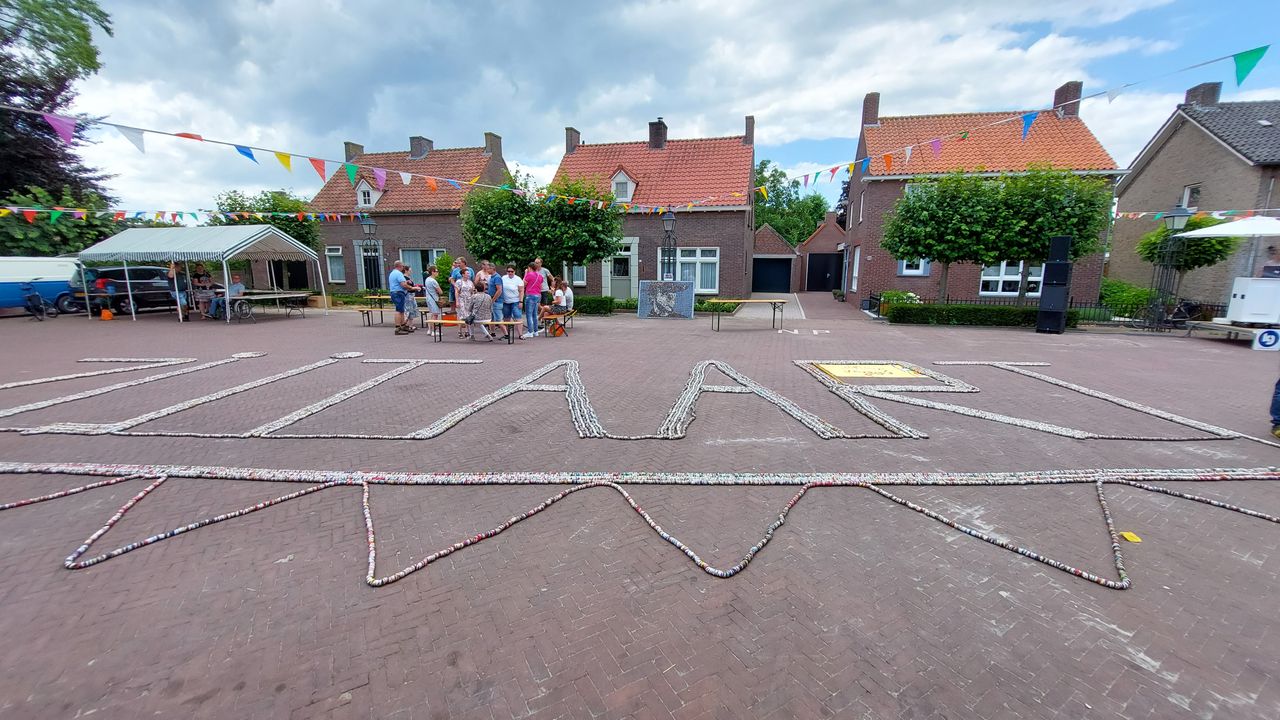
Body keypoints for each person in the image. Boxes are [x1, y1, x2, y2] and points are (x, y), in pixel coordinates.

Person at [387, 260, 415, 335]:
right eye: (402, 266)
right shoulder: (398, 273)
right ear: (399, 266)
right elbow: (403, 285)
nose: (403, 267)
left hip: (395, 292)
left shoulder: (392, 273)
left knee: (401, 310)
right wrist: (411, 288)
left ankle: (403, 326)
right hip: (398, 293)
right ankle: (398, 328)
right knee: (399, 310)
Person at [499, 265, 524, 341]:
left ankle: (520, 334)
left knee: (518, 317)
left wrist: (521, 301)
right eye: (508, 271)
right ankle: (507, 334)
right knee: (506, 318)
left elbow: (521, 291)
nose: (510, 273)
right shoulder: (503, 278)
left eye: (511, 271)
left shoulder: (518, 279)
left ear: (514, 271)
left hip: (515, 301)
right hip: (506, 301)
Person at [522, 262, 543, 338]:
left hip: (530, 295)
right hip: (537, 295)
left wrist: (525, 273)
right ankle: (535, 331)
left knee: (529, 314)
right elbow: (541, 287)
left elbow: (523, 284)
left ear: (530, 268)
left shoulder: (529, 275)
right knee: (534, 314)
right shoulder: (540, 276)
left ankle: (530, 332)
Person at [454, 269, 474, 338]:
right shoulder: (459, 282)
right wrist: (457, 301)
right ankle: (459, 331)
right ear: (463, 274)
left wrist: (473, 291)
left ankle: (467, 331)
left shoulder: (470, 282)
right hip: (461, 299)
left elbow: (472, 291)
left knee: (468, 315)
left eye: (469, 273)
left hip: (468, 300)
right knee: (461, 315)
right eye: (467, 273)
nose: (469, 275)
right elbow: (456, 292)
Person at [423, 265, 443, 331]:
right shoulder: (433, 281)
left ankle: (429, 330)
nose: (437, 273)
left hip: (428, 298)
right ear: (432, 272)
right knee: (435, 315)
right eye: (436, 271)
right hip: (434, 299)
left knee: (432, 314)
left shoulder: (427, 279)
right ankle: (434, 331)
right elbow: (440, 292)